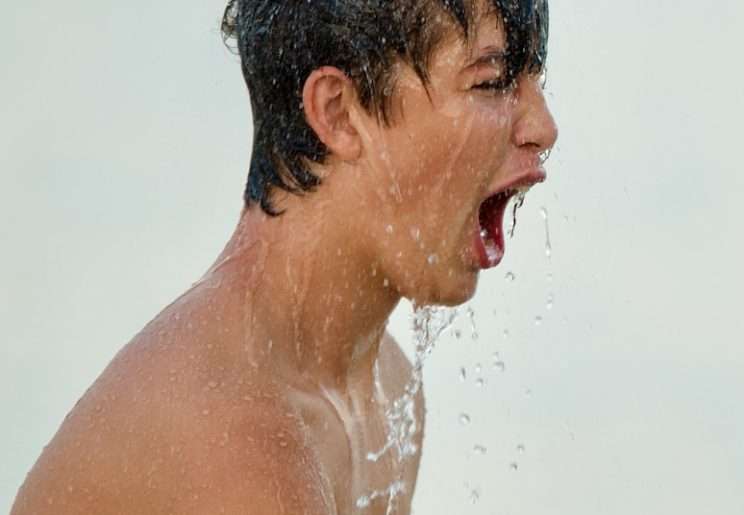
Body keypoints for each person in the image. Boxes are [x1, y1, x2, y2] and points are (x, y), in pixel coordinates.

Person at [12, 0, 557, 513]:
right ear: (339, 112)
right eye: (491, 82)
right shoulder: (235, 439)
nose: (543, 127)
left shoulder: (386, 388)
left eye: (535, 81)